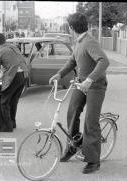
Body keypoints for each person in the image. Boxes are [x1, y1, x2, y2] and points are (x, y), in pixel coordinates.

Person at [49, 13, 110, 174]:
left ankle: (93, 160)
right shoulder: (78, 42)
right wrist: (60, 74)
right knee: (72, 112)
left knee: (91, 122)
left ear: (71, 27)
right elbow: (72, 61)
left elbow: (104, 61)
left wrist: (89, 80)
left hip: (95, 86)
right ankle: (74, 146)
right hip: (81, 84)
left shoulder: (89, 41)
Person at [0, 33, 29, 132]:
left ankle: (6, 127)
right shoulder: (14, 47)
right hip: (24, 75)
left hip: (14, 77)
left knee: (4, 102)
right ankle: (12, 123)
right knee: (14, 101)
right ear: (5, 39)